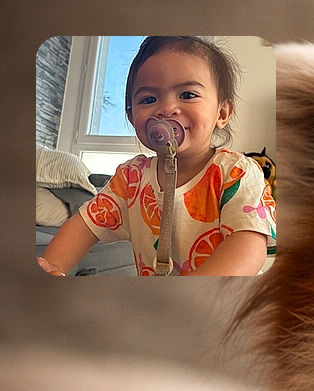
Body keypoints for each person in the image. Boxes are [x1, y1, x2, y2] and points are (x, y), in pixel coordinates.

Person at [38, 36, 276, 276]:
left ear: (221, 113)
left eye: (188, 94)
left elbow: (249, 243)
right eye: (148, 99)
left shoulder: (237, 172)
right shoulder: (130, 178)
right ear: (133, 118)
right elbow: (84, 225)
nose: (166, 109)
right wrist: (52, 266)